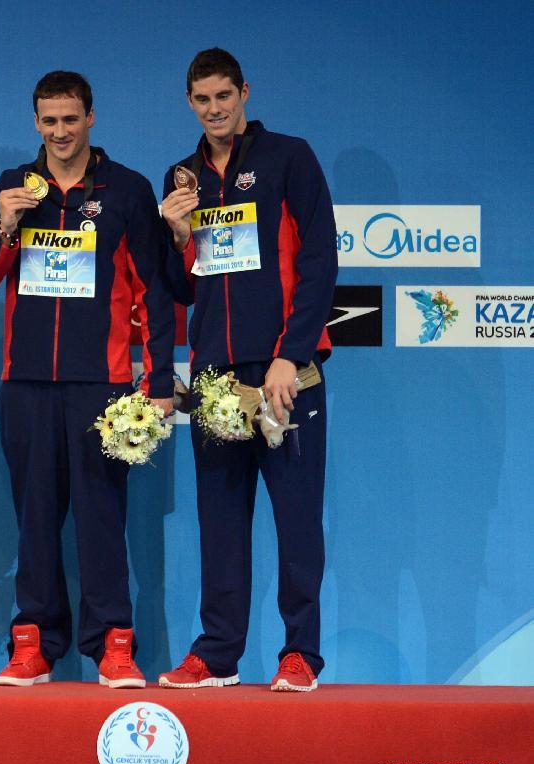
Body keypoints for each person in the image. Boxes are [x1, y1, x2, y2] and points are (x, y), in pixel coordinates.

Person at [0, 71, 175, 688]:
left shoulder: (128, 191)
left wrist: (159, 380)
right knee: (33, 522)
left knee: (103, 521)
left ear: (90, 118)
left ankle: (113, 647)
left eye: (70, 119)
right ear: (35, 123)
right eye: (48, 120)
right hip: (25, 383)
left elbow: (156, 293)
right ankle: (33, 645)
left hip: (101, 387)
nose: (60, 131)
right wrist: (3, 225)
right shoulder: (13, 188)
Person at [158, 48, 337, 691]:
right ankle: (218, 653)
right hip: (214, 378)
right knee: (221, 521)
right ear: (189, 103)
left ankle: (300, 654)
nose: (214, 110)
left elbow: (319, 264)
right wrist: (175, 239)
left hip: (285, 371)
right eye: (202, 100)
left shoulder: (289, 158)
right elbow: (182, 289)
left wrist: (293, 353)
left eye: (223, 97)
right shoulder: (182, 179)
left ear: (244, 93)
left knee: (295, 518)